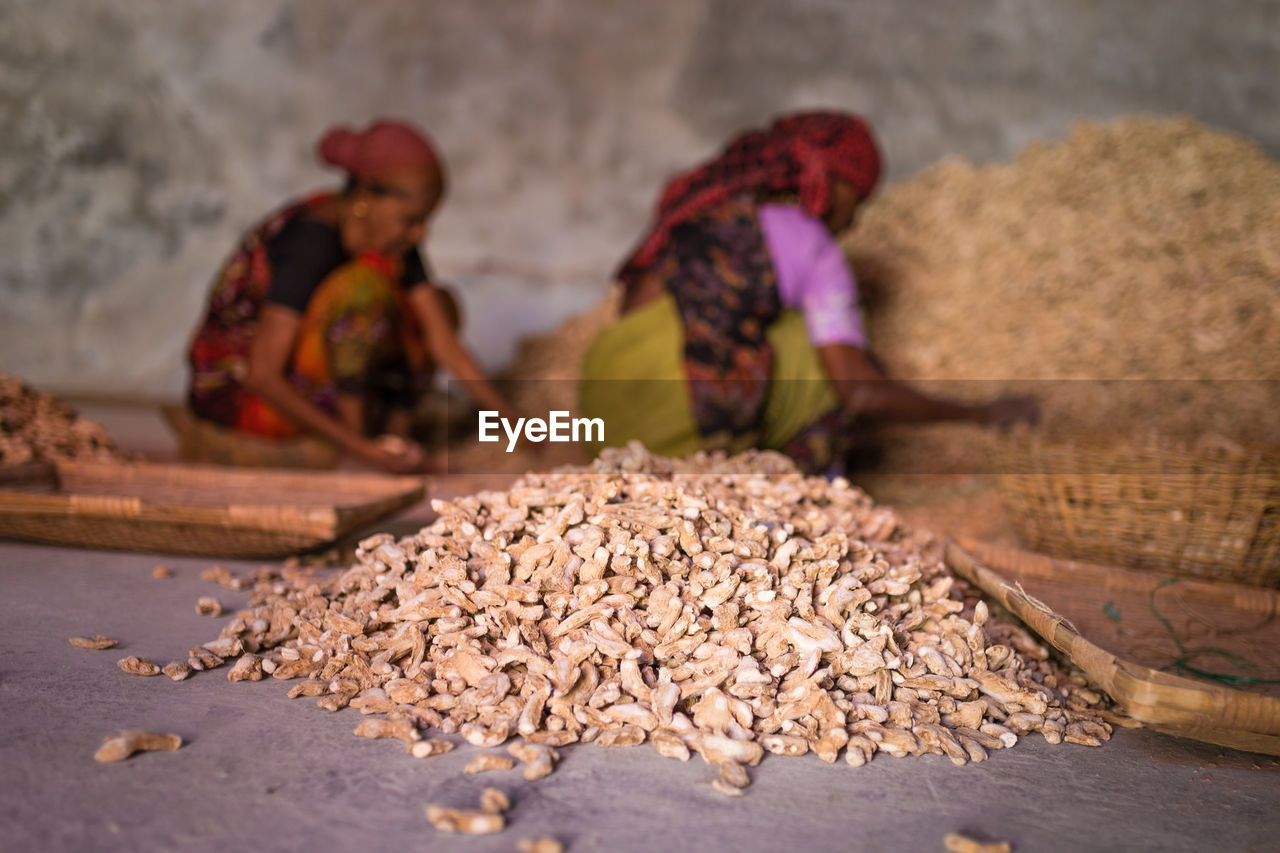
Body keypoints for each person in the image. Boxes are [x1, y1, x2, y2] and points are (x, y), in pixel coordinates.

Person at [579, 111, 1037, 474]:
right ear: (830, 181)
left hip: (601, 407)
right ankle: (797, 508)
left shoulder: (700, 203)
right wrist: (976, 413)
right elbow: (858, 393)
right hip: (674, 436)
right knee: (829, 361)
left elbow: (636, 314)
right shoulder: (813, 243)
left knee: (749, 330)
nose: (853, 221)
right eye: (856, 201)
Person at [184, 118, 516, 472]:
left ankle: (392, 439)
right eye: (410, 219)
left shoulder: (395, 242)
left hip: (313, 382)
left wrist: (514, 424)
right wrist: (363, 449)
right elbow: (262, 376)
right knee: (362, 295)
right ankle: (364, 445)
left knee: (439, 304)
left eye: (425, 222)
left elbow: (442, 340)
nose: (420, 234)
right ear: (365, 198)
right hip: (244, 393)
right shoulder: (310, 241)